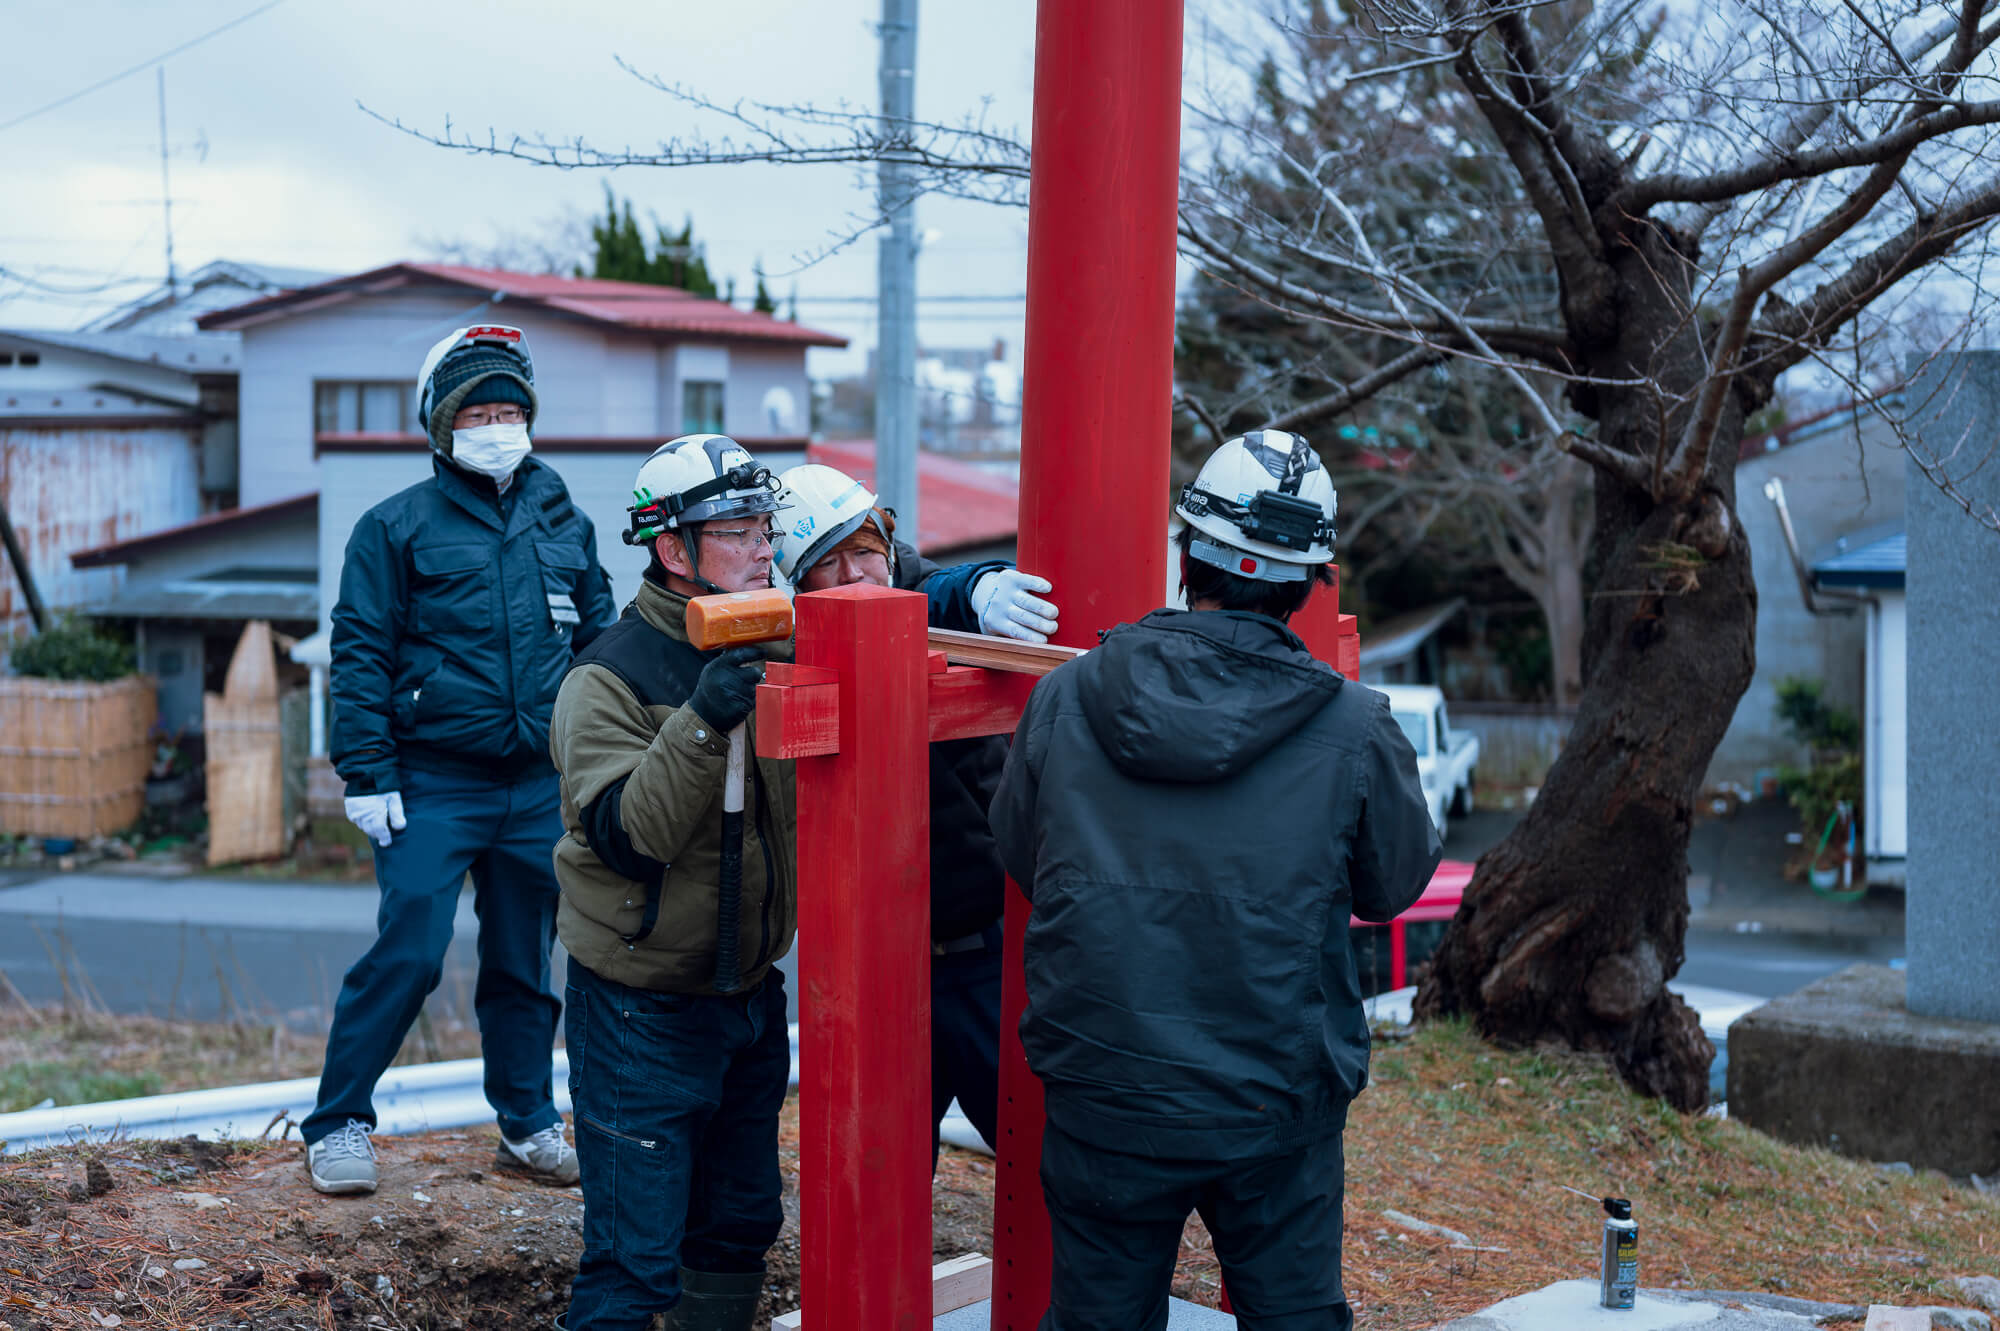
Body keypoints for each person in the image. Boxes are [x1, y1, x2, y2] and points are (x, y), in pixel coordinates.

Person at [988, 429, 1442, 1331]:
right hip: (1273, 1096)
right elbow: (1392, 885)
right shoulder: (1355, 728)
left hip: (1106, 1087)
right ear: (1310, 582)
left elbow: (1022, 852)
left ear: (1186, 553)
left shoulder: (1069, 697)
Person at [307, 324, 616, 1197]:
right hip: (431, 781)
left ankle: (524, 1121)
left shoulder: (563, 515)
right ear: (441, 427)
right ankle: (336, 1124)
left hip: (534, 784)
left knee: (526, 962)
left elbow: (598, 642)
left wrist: (596, 757)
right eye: (477, 411)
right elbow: (360, 648)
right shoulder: (393, 526)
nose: (496, 424)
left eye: (510, 410)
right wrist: (365, 771)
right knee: (411, 948)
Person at [549, 434, 799, 1331]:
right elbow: (630, 837)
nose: (762, 545)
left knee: (737, 1224)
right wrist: (702, 717)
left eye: (763, 523)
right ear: (671, 549)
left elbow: (878, 584)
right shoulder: (607, 676)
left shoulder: (779, 636)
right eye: (734, 528)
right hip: (639, 1012)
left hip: (747, 996)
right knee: (632, 1265)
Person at [773, 463, 1059, 1158]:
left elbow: (937, 588)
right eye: (828, 565)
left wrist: (981, 587)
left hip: (984, 949)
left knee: (1037, 1152)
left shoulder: (924, 595)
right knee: (884, 1164)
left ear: (889, 542)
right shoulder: (793, 645)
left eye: (864, 550)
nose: (855, 576)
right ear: (797, 586)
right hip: (873, 960)